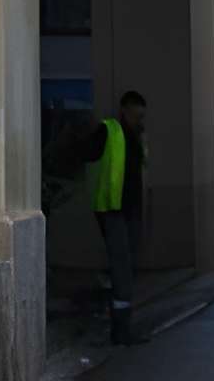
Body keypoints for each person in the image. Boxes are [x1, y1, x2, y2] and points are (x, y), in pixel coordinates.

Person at [79, 90, 148, 345]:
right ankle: (120, 330)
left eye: (141, 115)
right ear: (125, 110)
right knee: (122, 268)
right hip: (112, 209)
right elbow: (88, 154)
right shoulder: (108, 130)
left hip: (129, 210)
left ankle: (121, 322)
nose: (139, 119)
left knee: (126, 267)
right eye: (136, 114)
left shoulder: (137, 136)